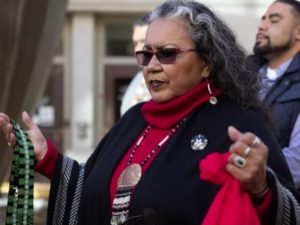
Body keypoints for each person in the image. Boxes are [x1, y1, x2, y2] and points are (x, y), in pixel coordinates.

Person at [1, 0, 300, 224]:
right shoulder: (135, 118)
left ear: (207, 62)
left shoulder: (239, 124)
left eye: (167, 54)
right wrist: (47, 158)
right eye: (146, 55)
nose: (153, 65)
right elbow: (94, 190)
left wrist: (262, 189)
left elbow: (292, 213)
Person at [249, 0, 300, 190]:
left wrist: (246, 172)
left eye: (274, 20)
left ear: (298, 32)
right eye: (263, 19)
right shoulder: (239, 74)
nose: (262, 25)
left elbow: (297, 163)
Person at [120, 14, 151, 116]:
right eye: (135, 43)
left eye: (143, 41)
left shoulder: (169, 77)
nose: (137, 49)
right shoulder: (138, 78)